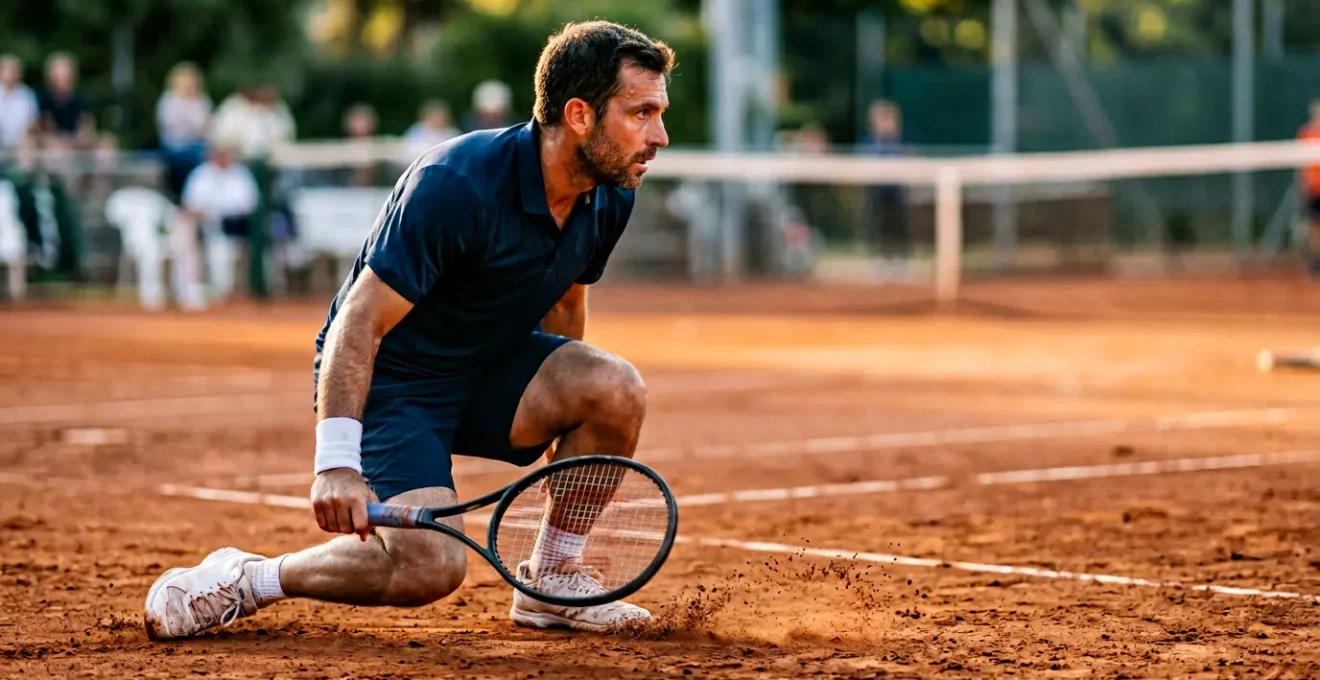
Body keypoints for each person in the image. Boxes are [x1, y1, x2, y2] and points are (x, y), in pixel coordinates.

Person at [144, 20, 674, 639]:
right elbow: (358, 321)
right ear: (580, 114)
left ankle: (551, 582)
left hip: (488, 366)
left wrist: (570, 423)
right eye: (641, 113)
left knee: (615, 387)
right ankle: (251, 578)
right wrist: (336, 463)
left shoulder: (609, 193)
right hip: (395, 382)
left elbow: (564, 300)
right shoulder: (457, 183)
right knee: (431, 566)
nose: (658, 136)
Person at [156, 62, 213, 201]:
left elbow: (204, 125)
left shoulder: (203, 100)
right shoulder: (169, 100)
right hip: (176, 147)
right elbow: (170, 124)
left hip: (198, 147)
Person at [0, 55, 39, 160]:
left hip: (22, 142)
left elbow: (33, 122)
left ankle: (24, 176)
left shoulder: (27, 94)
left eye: (14, 71)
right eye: (7, 70)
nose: (10, 75)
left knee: (28, 143)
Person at [1298, 98, 1320, 277]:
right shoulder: (1306, 133)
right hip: (1313, 189)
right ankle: (1314, 263)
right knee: (1314, 226)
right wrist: (1304, 185)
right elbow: (1301, 162)